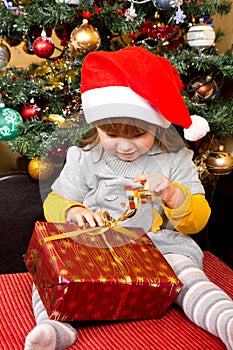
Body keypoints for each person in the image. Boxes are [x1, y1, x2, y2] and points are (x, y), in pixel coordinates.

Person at [24, 46, 233, 350]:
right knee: (47, 275)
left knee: (191, 278)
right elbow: (54, 201)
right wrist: (72, 210)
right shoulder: (85, 158)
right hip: (97, 246)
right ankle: (54, 328)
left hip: (160, 248)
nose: (124, 146)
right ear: (96, 126)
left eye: (138, 135)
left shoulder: (175, 159)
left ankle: (226, 321)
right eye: (111, 135)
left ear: (157, 126)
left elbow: (198, 221)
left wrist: (173, 194)